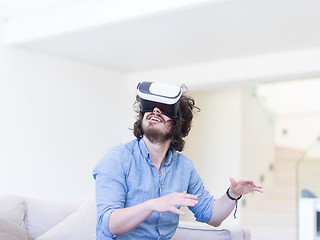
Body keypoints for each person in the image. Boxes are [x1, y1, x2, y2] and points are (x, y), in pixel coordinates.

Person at [93, 81, 263, 240]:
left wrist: (233, 194)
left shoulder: (184, 167)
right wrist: (153, 205)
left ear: (178, 123)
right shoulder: (117, 158)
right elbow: (110, 224)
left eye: (164, 108)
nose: (156, 111)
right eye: (150, 107)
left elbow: (211, 216)